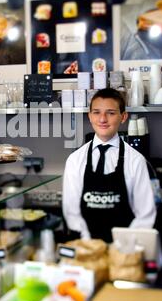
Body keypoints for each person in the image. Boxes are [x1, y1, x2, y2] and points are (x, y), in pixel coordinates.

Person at [63, 88, 156, 242]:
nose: (102, 119)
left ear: (123, 117)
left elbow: (145, 214)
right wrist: (90, 245)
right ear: (90, 116)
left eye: (111, 113)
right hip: (87, 248)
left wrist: (123, 246)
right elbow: (71, 212)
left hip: (124, 250)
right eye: (97, 112)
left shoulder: (136, 160)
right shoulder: (75, 160)